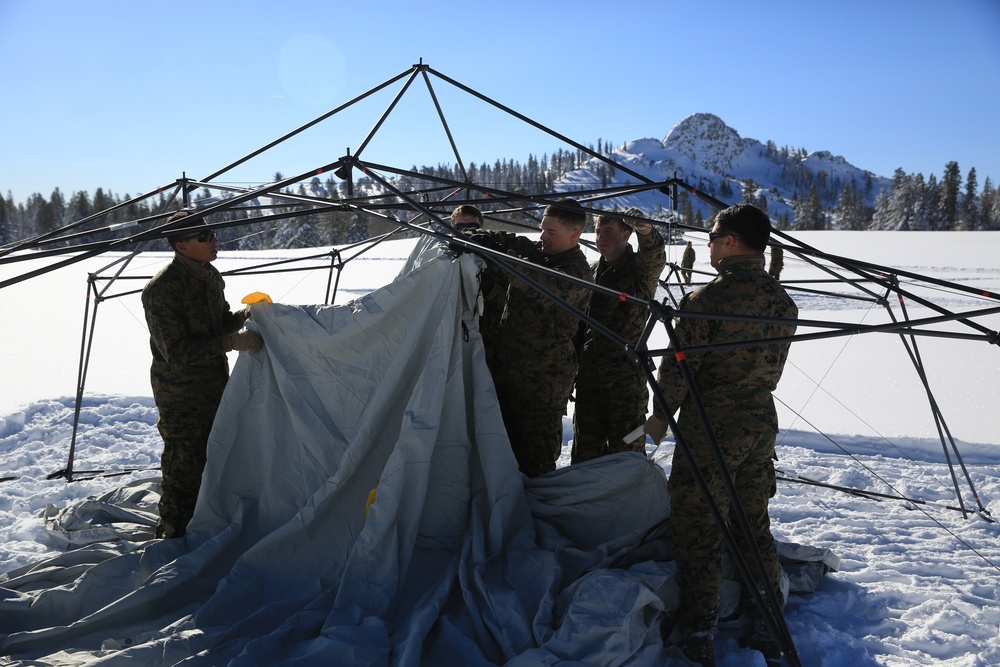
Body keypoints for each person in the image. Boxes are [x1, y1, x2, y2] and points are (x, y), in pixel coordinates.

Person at [643, 204, 797, 666]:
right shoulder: (781, 301)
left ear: (730, 242)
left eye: (712, 238)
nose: (708, 246)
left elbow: (678, 372)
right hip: (759, 423)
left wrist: (658, 420)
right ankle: (768, 621)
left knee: (699, 525)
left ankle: (699, 631)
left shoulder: (706, 300)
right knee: (753, 524)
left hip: (711, 427)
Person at [142, 211, 264, 539]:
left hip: (213, 385)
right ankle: (172, 535)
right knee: (184, 466)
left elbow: (218, 321)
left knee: (214, 455)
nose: (214, 240)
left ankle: (205, 522)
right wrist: (232, 342)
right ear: (181, 245)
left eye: (212, 233)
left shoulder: (209, 275)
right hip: (182, 396)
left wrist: (243, 316)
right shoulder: (162, 290)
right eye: (204, 236)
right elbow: (177, 352)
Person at [467, 198, 591, 477]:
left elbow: (538, 282)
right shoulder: (539, 251)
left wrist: (501, 258)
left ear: (575, 234)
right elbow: (512, 240)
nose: (543, 238)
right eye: (542, 229)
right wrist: (480, 237)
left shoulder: (576, 273)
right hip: (507, 373)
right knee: (500, 454)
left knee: (535, 464)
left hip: (541, 388)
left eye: (551, 232)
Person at [572, 208, 665, 463]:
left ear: (626, 235)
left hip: (625, 381)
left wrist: (645, 230)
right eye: (598, 231)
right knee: (585, 453)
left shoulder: (639, 271)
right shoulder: (591, 272)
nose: (601, 237)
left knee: (626, 453)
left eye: (609, 232)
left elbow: (655, 255)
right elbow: (579, 325)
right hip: (590, 377)